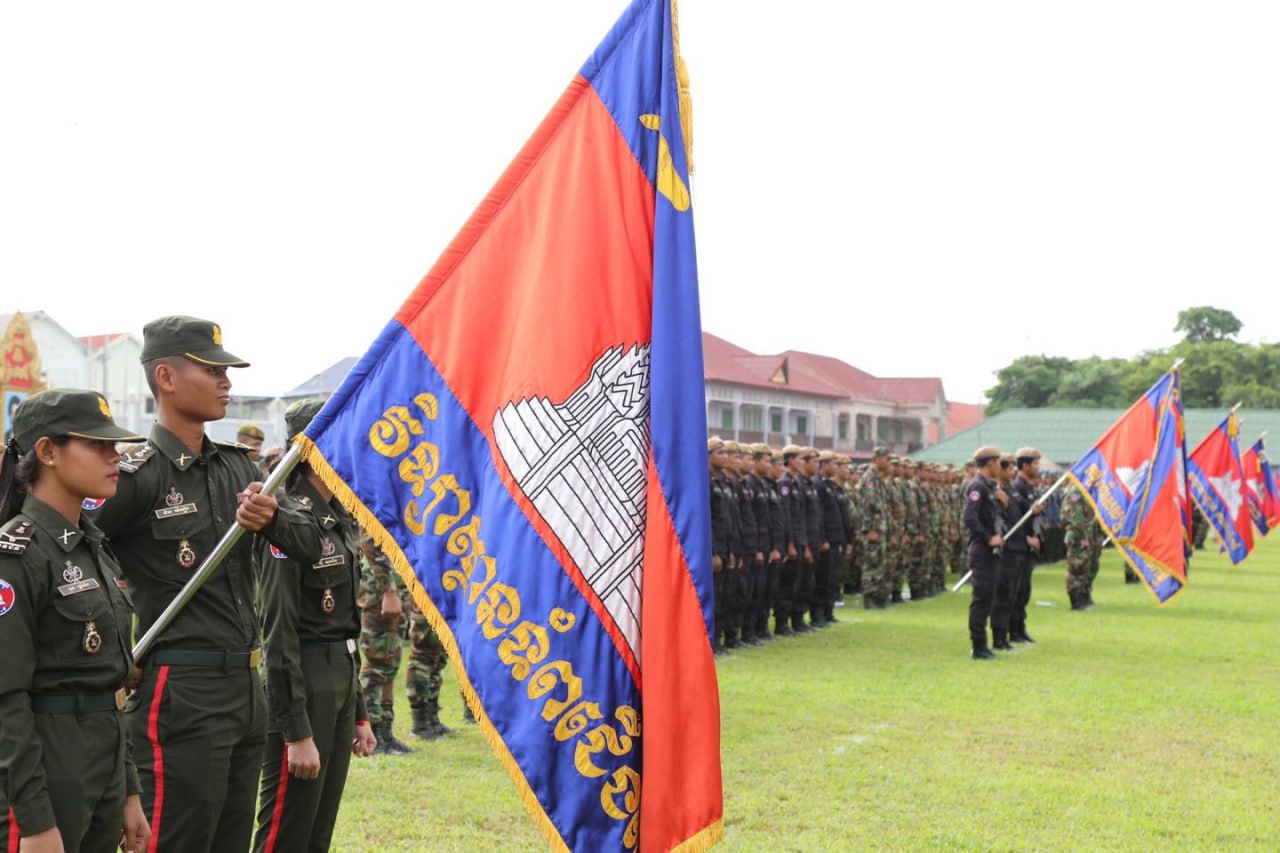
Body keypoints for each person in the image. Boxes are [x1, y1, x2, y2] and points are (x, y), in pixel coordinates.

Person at [89, 316, 324, 852]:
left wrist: (274, 520)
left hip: (248, 685)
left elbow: (310, 545)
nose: (226, 382)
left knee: (229, 841)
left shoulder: (240, 470)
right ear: (166, 377)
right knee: (177, 839)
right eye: (213, 369)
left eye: (227, 371)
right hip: (180, 688)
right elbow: (70, 557)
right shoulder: (135, 475)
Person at [0, 389, 151, 853]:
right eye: (99, 444)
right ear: (47, 451)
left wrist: (127, 789)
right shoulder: (16, 556)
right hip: (46, 762)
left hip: (101, 757)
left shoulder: (91, 546)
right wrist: (35, 821)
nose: (115, 455)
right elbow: (5, 697)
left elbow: (107, 683)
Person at [252, 399, 377, 853]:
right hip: (303, 680)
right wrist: (296, 732)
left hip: (339, 679)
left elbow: (345, 625)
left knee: (317, 832)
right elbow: (278, 635)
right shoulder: (285, 521)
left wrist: (359, 711)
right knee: (287, 830)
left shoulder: (338, 517)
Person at [358, 535, 415, 752]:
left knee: (389, 661)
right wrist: (388, 590)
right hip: (379, 594)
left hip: (394, 588)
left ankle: (385, 732)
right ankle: (372, 733)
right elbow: (370, 541)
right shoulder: (376, 503)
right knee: (377, 661)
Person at [963, 446, 1007, 660]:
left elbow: (991, 517)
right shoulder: (977, 486)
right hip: (982, 550)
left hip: (992, 551)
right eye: (999, 462)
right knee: (981, 599)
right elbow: (970, 518)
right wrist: (989, 537)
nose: (1000, 466)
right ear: (990, 463)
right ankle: (978, 646)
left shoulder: (990, 488)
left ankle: (983, 644)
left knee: (988, 598)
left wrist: (1002, 503)